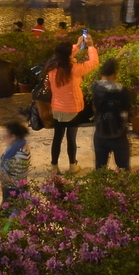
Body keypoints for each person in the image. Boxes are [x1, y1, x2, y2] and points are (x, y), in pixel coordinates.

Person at [47, 35, 100, 173]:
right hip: (72, 109)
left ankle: (54, 166)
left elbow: (64, 56)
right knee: (71, 138)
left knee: (57, 138)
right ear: (68, 54)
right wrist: (90, 46)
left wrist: (76, 46)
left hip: (57, 108)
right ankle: (72, 165)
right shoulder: (75, 69)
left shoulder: (51, 67)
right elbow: (94, 62)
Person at [91, 58, 132, 171]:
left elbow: (94, 107)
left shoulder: (96, 88)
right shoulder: (123, 91)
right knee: (123, 168)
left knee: (100, 168)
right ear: (115, 73)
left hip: (100, 132)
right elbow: (127, 111)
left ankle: (101, 188)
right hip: (118, 134)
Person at [0, 121, 32, 205]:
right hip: (9, 188)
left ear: (13, 136)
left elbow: (15, 179)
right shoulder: (14, 147)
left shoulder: (21, 154)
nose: (3, 138)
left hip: (14, 192)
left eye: (5, 136)